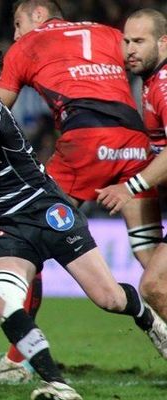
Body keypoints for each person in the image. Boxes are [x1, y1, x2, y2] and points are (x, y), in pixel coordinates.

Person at [0, 35, 167, 400]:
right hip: (5, 225)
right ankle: (57, 383)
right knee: (1, 299)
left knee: (110, 299)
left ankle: (148, 319)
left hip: (46, 211)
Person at [0, 0, 167, 383]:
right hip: (135, 145)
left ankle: (17, 360)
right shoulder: (115, 36)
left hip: (85, 142)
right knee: (151, 262)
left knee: (26, 234)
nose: (15, 34)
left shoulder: (26, 47)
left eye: (17, 23)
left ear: (39, 15)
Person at [97, 9, 167, 320]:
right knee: (153, 271)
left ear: (163, 42)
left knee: (153, 285)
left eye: (139, 41)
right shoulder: (151, 82)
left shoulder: (164, 85)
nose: (130, 49)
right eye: (126, 41)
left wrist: (131, 187)